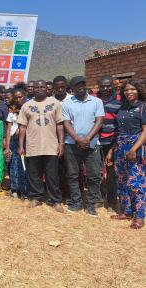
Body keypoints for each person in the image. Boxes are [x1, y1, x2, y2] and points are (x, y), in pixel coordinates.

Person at [18, 80, 65, 212]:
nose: (39, 89)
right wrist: (21, 145)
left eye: (42, 87)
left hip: (51, 145)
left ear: (47, 89)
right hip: (33, 145)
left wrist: (61, 143)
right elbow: (22, 127)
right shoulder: (27, 106)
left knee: (52, 175)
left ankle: (56, 200)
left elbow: (60, 125)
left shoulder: (55, 104)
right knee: (34, 174)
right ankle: (36, 197)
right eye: (37, 87)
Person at [62, 76, 104, 217]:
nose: (80, 87)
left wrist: (87, 138)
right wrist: (77, 139)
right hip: (72, 145)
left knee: (94, 176)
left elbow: (99, 121)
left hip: (91, 145)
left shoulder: (97, 101)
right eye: (76, 86)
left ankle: (91, 204)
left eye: (82, 84)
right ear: (72, 89)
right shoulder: (67, 103)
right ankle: (76, 202)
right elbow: (66, 123)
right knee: (73, 175)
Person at [110, 79, 145, 229]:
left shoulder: (143, 107)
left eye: (132, 89)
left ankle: (140, 216)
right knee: (122, 180)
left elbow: (145, 131)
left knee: (136, 181)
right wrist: (111, 151)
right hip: (120, 146)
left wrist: (134, 149)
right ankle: (127, 211)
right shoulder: (122, 108)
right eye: (126, 90)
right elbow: (117, 132)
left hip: (135, 146)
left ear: (138, 91)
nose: (129, 92)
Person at [95, 75, 121, 211]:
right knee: (96, 172)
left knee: (111, 173)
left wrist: (113, 146)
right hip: (95, 141)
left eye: (108, 85)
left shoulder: (119, 100)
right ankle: (98, 198)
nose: (105, 88)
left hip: (112, 141)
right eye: (102, 86)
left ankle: (111, 201)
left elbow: (121, 123)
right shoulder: (93, 98)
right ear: (98, 86)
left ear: (113, 85)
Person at [5, 88, 29, 198]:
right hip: (14, 141)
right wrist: (7, 147)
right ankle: (15, 188)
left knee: (25, 166)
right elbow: (9, 129)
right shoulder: (12, 110)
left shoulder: (30, 108)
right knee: (14, 165)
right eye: (16, 97)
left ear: (25, 95)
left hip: (26, 141)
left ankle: (25, 190)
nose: (18, 99)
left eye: (21, 97)